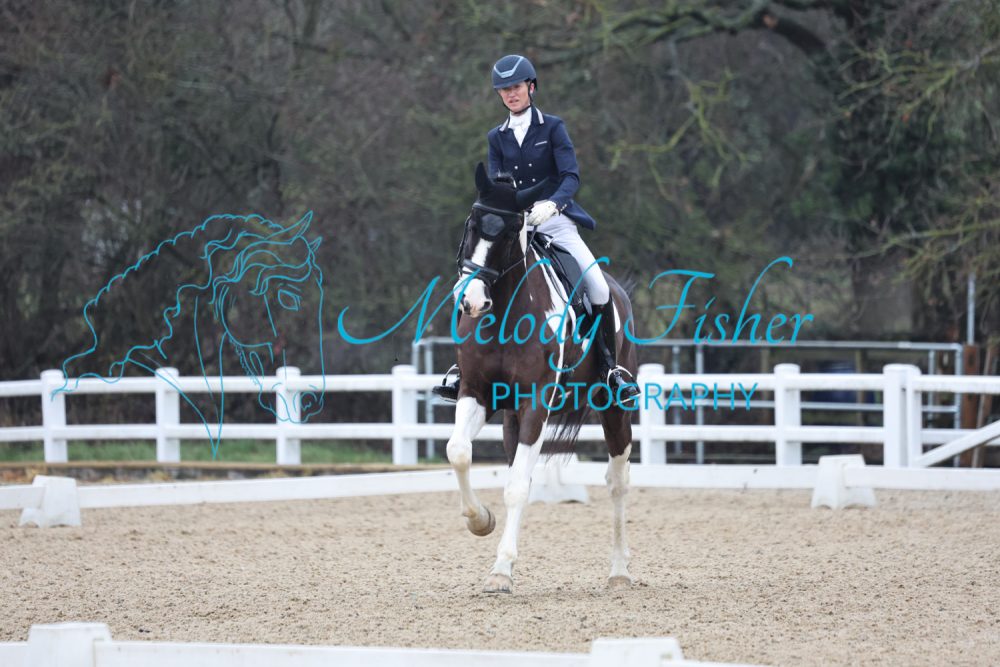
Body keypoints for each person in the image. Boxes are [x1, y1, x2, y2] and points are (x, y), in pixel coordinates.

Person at [434, 54, 639, 405]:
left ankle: (610, 369)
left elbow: (570, 176)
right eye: (504, 90)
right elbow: (498, 185)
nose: (510, 94)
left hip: (556, 222)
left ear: (531, 87)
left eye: (515, 87)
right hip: (517, 226)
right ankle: (462, 368)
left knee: (598, 287)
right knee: (473, 278)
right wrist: (511, 212)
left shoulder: (553, 128)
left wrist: (553, 205)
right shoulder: (496, 137)